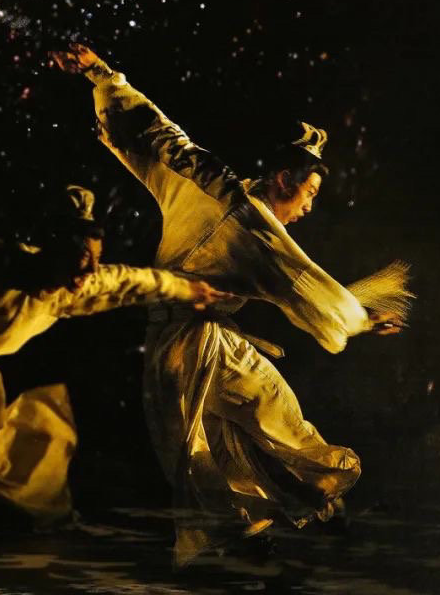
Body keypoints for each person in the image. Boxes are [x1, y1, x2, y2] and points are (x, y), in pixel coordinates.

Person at [52, 44, 412, 564]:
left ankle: (291, 506)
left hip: (201, 339)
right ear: (284, 179)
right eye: (309, 192)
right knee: (212, 440)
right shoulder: (258, 232)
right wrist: (359, 320)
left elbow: (160, 135)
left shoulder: (208, 181)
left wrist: (101, 75)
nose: (309, 206)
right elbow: (308, 286)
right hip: (184, 340)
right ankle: (253, 526)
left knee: (256, 417)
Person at [0, 184, 228, 529]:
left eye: (95, 260)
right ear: (52, 250)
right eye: (81, 259)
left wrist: (189, 289)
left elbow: (130, 281)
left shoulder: (68, 291)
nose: (89, 272)